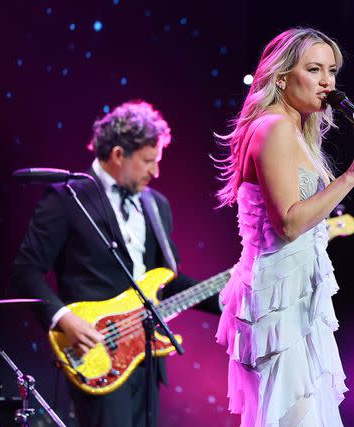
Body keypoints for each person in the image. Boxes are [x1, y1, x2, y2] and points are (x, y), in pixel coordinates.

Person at [213, 28, 354, 426]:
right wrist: (352, 176)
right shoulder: (272, 127)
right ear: (281, 77)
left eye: (331, 71)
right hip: (279, 302)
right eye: (314, 69)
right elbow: (289, 223)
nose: (327, 81)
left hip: (297, 297)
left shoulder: (295, 129)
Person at [12, 100, 218, 427]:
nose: (156, 172)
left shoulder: (156, 204)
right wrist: (64, 318)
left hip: (145, 355)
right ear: (119, 154)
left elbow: (169, 281)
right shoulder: (67, 198)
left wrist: (231, 293)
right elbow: (25, 270)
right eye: (149, 161)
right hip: (96, 352)